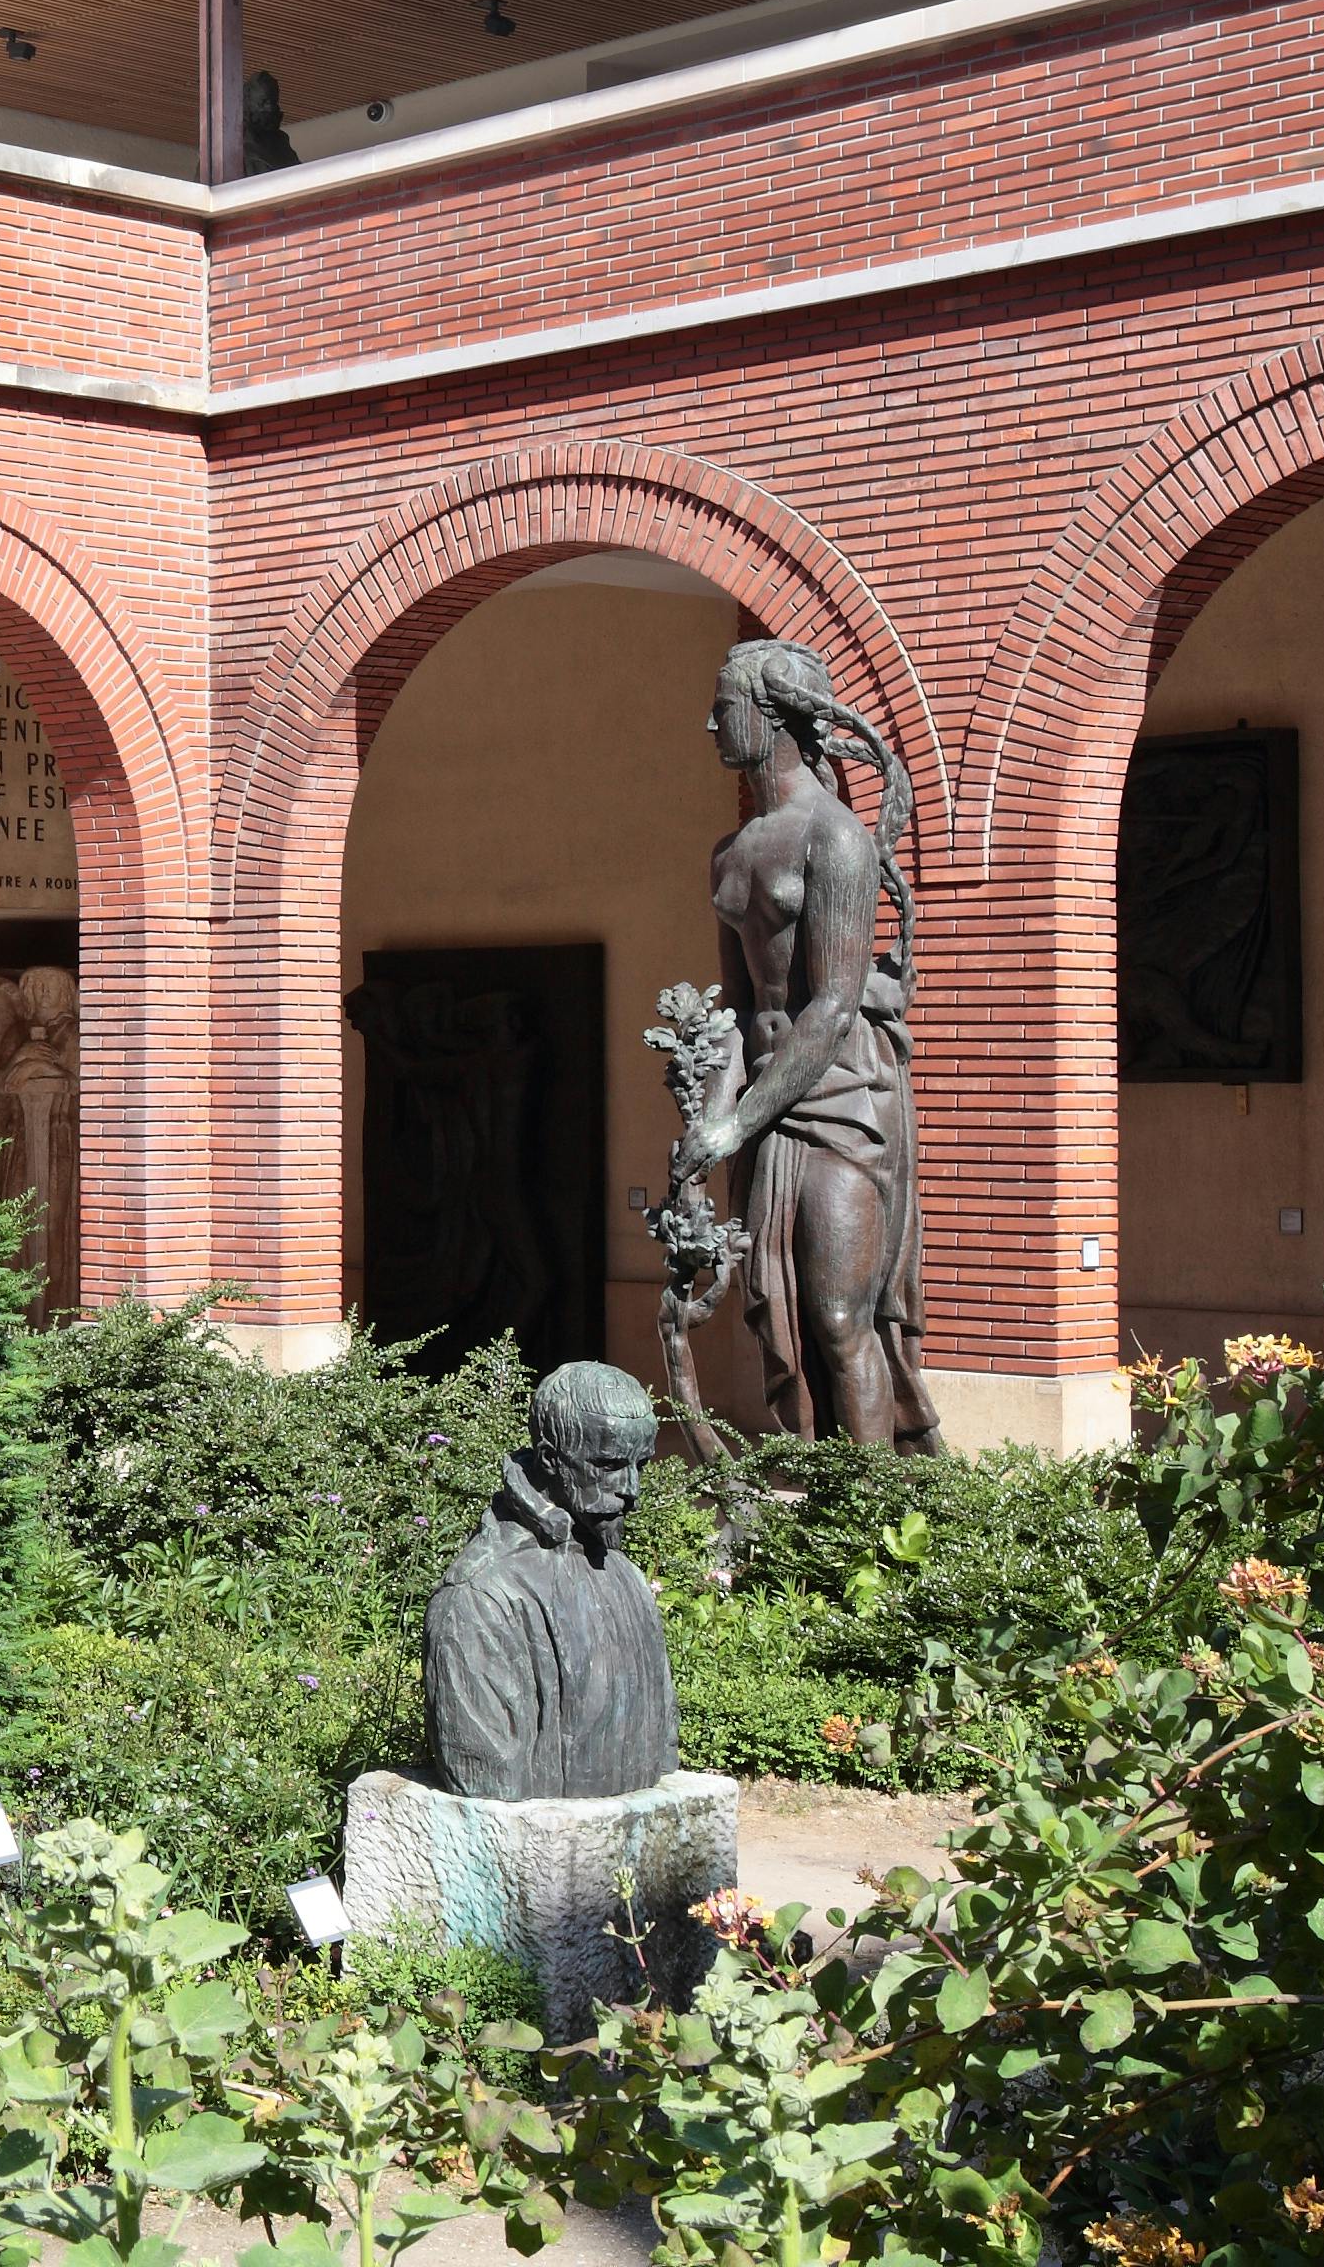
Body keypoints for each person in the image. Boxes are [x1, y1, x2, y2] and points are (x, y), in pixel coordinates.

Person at [674, 639, 939, 1450]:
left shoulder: (838, 841)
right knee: (778, 1314)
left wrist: (734, 1124)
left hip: (845, 1094)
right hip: (767, 1096)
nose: (710, 721)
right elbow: (738, 1012)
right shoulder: (731, 852)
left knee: (835, 1312)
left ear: (772, 713)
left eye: (725, 706)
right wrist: (705, 1128)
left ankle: (876, 1518)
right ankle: (822, 1501)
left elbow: (829, 1007)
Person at [420, 1361, 676, 1802]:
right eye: (610, 1465)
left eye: (641, 1465)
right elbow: (488, 1776)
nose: (631, 1489)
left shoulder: (625, 1576)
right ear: (550, 1460)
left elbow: (664, 1745)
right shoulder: (480, 1599)